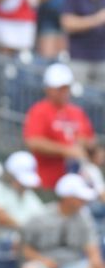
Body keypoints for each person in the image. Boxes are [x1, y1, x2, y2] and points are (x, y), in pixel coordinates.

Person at [20, 173, 105, 268]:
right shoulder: (40, 216)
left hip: (73, 267)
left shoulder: (85, 218)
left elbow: (93, 253)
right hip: (46, 266)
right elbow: (25, 249)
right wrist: (43, 260)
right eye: (79, 198)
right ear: (67, 198)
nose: (84, 202)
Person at [23, 62, 95, 190]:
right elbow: (33, 142)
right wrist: (66, 150)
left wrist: (85, 145)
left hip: (76, 183)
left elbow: (89, 139)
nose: (63, 92)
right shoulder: (40, 110)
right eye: (59, 88)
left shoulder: (77, 112)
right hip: (48, 182)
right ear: (48, 89)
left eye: (66, 88)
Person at [60, 0, 105, 86]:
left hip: (102, 58)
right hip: (79, 58)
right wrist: (96, 19)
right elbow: (67, 23)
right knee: (78, 97)